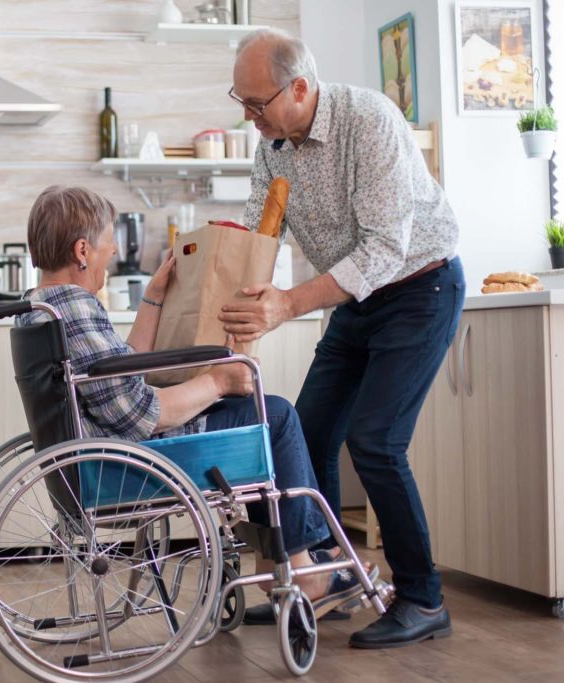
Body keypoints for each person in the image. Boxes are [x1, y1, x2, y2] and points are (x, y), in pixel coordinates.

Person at [16, 185, 377, 620]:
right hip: (126, 467)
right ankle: (304, 572)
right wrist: (219, 381)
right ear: (82, 250)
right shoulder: (77, 310)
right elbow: (143, 417)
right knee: (275, 415)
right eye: (107, 241)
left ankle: (281, 564)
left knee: (250, 420)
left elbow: (118, 375)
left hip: (92, 462)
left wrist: (153, 298)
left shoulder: (44, 308)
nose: (111, 251)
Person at [219, 28, 464, 648]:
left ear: (300, 88)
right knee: (309, 432)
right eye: (241, 103)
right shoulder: (274, 146)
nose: (249, 119)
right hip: (355, 301)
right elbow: (257, 234)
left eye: (257, 104)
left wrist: (289, 305)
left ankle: (422, 597)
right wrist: (215, 285)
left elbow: (386, 248)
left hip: (417, 287)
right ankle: (330, 577)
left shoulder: (370, 121)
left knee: (377, 441)